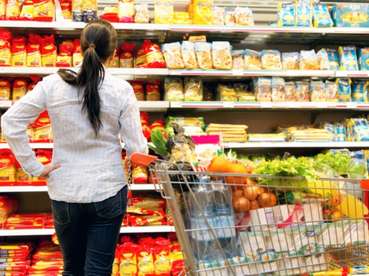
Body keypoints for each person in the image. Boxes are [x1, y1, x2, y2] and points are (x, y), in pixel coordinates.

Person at [1, 20, 147, 276]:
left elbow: (10, 121)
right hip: (108, 188)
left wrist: (34, 166)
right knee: (98, 270)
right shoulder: (121, 90)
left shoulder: (52, 84)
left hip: (65, 190)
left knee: (72, 268)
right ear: (112, 55)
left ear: (81, 49)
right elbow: (137, 147)